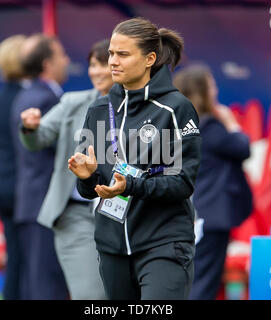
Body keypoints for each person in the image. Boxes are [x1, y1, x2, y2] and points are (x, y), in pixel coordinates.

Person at [68, 17, 201, 300]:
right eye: (111, 54)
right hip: (111, 247)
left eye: (123, 55)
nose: (112, 62)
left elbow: (181, 183)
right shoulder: (99, 110)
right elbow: (90, 190)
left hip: (164, 243)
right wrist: (87, 177)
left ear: (149, 58)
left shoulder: (174, 109)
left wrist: (129, 186)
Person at [18, 39, 112, 300]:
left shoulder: (142, 109)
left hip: (123, 217)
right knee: (92, 296)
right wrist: (31, 127)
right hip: (77, 216)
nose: (96, 71)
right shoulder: (73, 102)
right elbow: (38, 139)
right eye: (92, 64)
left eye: (103, 64)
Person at [173, 64, 253, 300]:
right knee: (204, 282)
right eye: (211, 85)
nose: (215, 90)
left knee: (194, 278)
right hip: (211, 215)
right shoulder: (209, 126)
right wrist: (230, 122)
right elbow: (242, 148)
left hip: (193, 212)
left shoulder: (182, 125)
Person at [10, 33, 70, 300]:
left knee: (36, 282)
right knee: (47, 284)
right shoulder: (47, 99)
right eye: (61, 55)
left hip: (30, 203)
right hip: (46, 204)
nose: (67, 61)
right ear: (48, 64)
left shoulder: (25, 96)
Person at [0, 34, 25, 300]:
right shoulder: (26, 99)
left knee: (15, 256)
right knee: (25, 260)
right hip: (20, 186)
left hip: (0, 183)